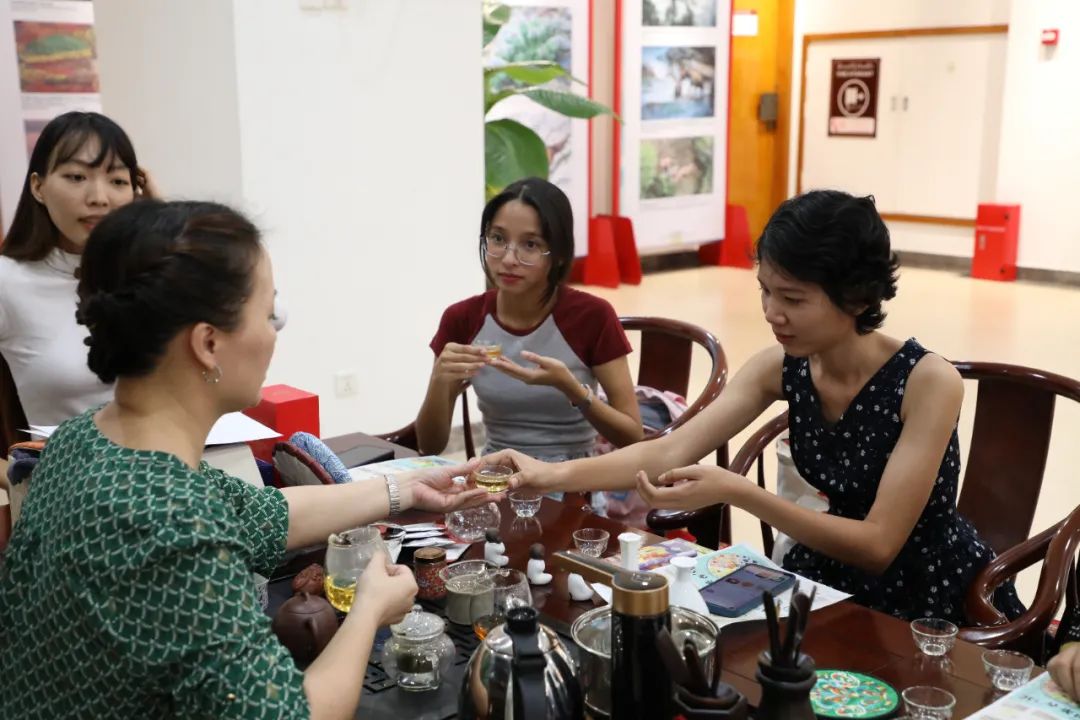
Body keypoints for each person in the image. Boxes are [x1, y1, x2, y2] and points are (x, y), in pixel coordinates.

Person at [0, 200, 496, 719]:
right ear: (208, 342)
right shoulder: (174, 526)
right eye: (267, 313)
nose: (274, 332)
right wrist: (368, 610)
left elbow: (266, 514)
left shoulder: (82, 440)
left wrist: (407, 490)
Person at [489, 190, 1024, 624]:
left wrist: (740, 492)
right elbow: (670, 450)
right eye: (765, 291)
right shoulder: (782, 366)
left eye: (793, 299)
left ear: (859, 298)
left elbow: (880, 543)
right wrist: (547, 474)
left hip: (928, 592)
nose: (771, 312)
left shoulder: (927, 382)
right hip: (830, 572)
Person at [415, 177, 643, 468]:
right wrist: (439, 381)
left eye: (530, 244)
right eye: (498, 239)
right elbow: (429, 445)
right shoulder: (462, 319)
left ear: (559, 255)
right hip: (497, 476)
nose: (509, 259)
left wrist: (573, 390)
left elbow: (632, 437)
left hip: (573, 478)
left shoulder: (592, 316)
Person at [0, 111, 159, 449]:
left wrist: (164, 223)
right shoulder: (7, 280)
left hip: (178, 470)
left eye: (118, 181)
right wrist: (19, 471)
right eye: (76, 177)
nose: (99, 197)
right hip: (71, 479)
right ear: (38, 187)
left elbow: (264, 315)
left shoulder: (151, 271)